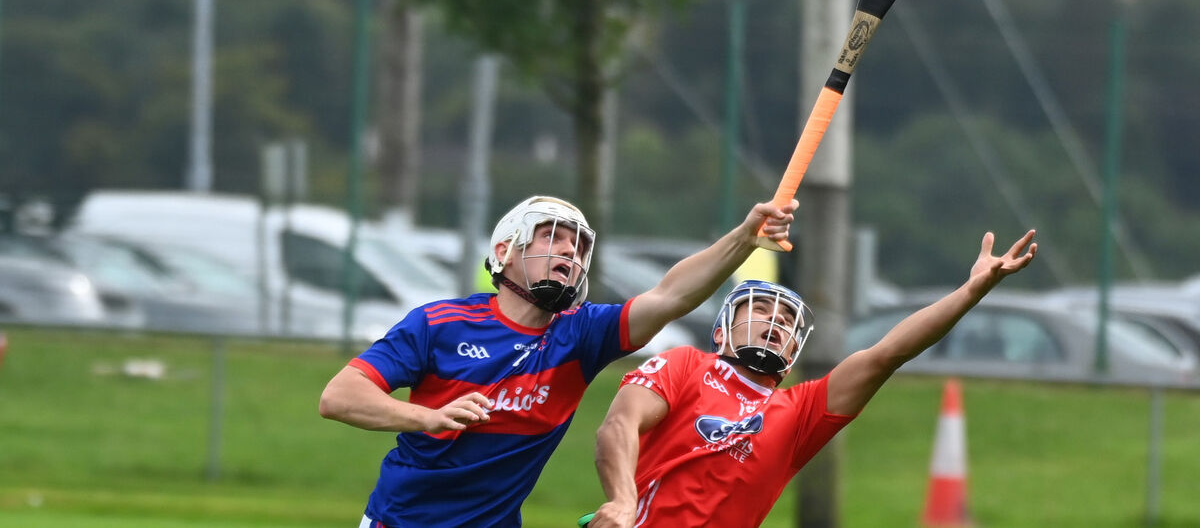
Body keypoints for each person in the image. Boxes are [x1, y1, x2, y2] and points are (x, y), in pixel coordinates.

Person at [318, 194, 798, 528]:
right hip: (402, 520)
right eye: (552, 237)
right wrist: (427, 417)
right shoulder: (440, 324)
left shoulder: (580, 335)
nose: (570, 250)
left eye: (579, 244)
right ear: (505, 252)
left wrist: (744, 237)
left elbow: (670, 295)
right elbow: (339, 396)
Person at [587, 229, 1038, 528]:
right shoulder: (685, 364)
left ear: (793, 352)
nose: (775, 322)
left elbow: (888, 353)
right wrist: (623, 501)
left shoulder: (799, 412)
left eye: (786, 320)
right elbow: (619, 425)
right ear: (721, 331)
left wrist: (970, 291)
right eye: (760, 310)